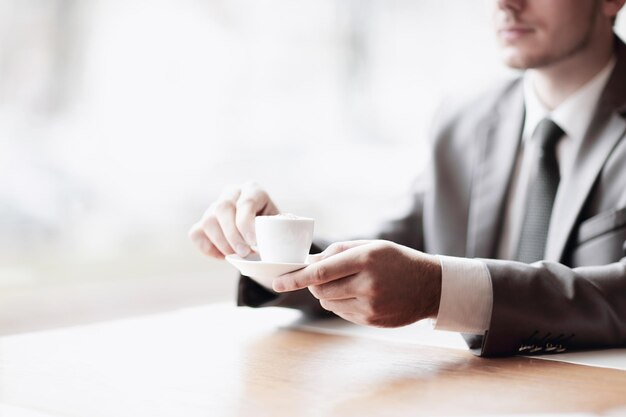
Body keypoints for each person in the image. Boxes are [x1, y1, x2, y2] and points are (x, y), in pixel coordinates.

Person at [189, 0, 626, 357]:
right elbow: (398, 249)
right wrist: (273, 250)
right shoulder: (465, 121)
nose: (505, 5)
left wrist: (436, 291)